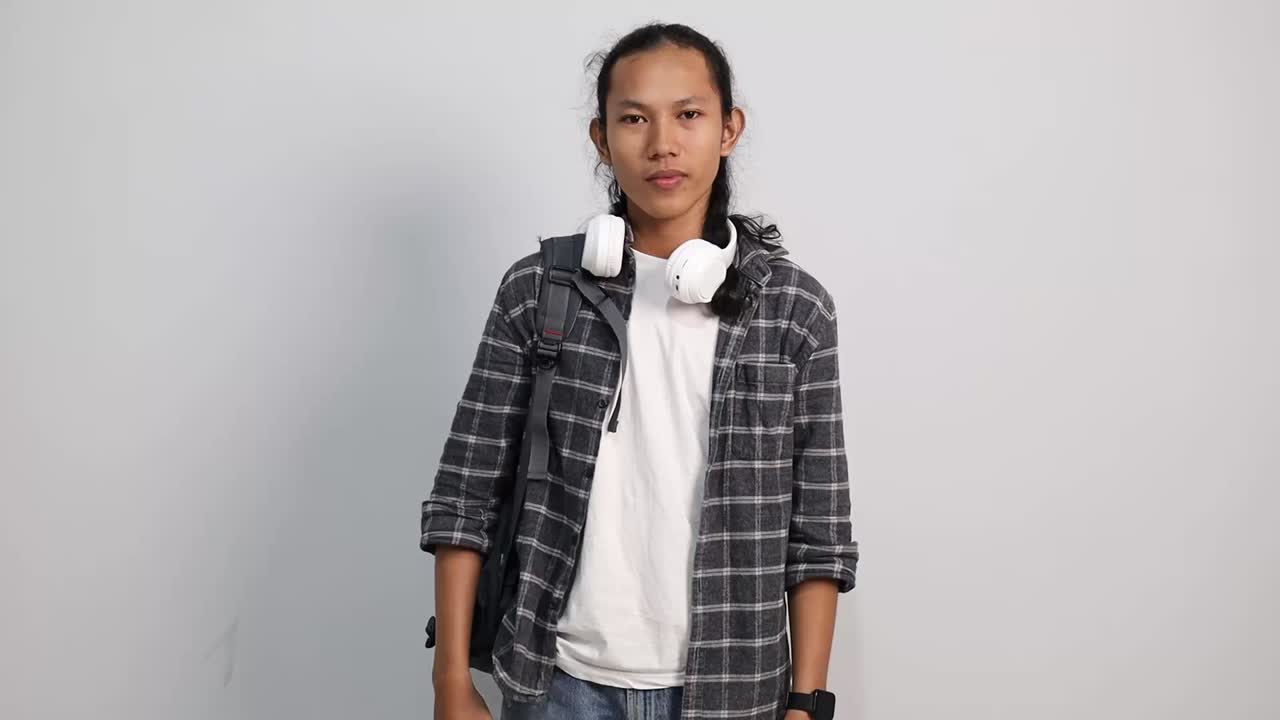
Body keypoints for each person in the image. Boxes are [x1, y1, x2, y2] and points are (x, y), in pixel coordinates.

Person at [421, 22, 858, 720]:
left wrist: (807, 704)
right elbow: (466, 495)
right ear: (601, 138)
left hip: (733, 693)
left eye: (688, 115)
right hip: (556, 684)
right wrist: (450, 681)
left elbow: (819, 533)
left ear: (728, 128)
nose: (662, 143)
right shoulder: (538, 292)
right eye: (634, 118)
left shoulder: (795, 312)